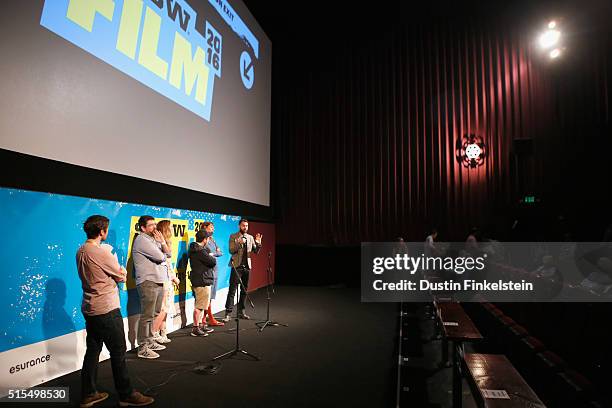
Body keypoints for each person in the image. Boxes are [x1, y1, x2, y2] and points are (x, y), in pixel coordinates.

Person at [76, 215, 153, 407]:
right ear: (102, 232)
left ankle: (89, 393)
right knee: (118, 352)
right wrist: (121, 270)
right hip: (106, 309)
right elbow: (120, 275)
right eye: (106, 229)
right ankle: (126, 394)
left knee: (93, 350)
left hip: (90, 308)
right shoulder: (100, 252)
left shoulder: (81, 250)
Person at [132, 215, 171, 359]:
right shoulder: (142, 239)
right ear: (143, 228)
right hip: (148, 281)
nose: (155, 227)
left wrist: (162, 242)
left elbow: (169, 253)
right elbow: (161, 257)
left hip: (158, 280)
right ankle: (142, 347)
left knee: (154, 314)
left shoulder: (154, 240)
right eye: (151, 225)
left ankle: (149, 341)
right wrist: (162, 246)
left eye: (155, 224)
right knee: (147, 316)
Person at [223, 219, 262, 321]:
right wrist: (239, 243)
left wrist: (258, 243)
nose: (245, 227)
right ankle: (228, 313)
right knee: (232, 290)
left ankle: (241, 312)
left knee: (244, 291)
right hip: (237, 267)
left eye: (247, 226)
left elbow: (256, 251)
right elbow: (231, 250)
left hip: (247, 267)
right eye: (244, 225)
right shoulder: (233, 236)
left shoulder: (250, 237)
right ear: (239, 226)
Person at [151, 220, 180, 344]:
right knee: (162, 308)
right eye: (171, 227)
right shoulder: (158, 244)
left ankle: (163, 331)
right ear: (166, 229)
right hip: (163, 280)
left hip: (167, 279)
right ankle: (154, 334)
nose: (173, 229)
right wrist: (173, 277)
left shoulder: (166, 243)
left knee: (166, 308)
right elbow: (165, 264)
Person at [188, 229, 217, 336]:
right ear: (205, 239)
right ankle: (195, 328)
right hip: (202, 280)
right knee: (199, 306)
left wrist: (209, 255)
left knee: (201, 304)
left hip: (200, 279)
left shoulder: (198, 249)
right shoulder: (200, 251)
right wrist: (211, 255)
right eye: (208, 238)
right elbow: (212, 261)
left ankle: (199, 325)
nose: (209, 240)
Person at [200, 222, 225, 327]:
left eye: (213, 227)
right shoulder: (203, 240)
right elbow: (206, 254)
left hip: (215, 271)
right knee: (207, 297)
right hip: (208, 271)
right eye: (211, 227)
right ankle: (208, 318)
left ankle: (205, 318)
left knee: (210, 297)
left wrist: (213, 253)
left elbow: (220, 252)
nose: (213, 229)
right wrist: (214, 253)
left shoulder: (213, 240)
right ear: (205, 228)